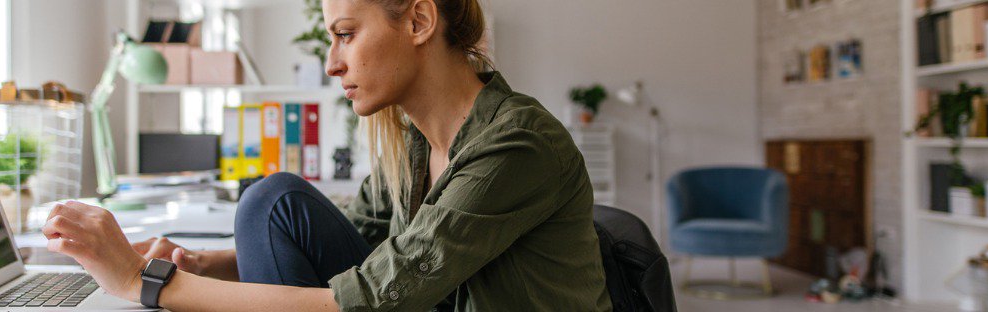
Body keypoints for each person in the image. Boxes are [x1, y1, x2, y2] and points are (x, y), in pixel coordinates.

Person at [40, 0, 610, 310]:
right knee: (272, 204)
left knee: (268, 200)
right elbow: (364, 248)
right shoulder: (415, 140)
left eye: (345, 34)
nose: (334, 63)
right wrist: (204, 265)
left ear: (419, 20)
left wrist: (142, 280)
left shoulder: (516, 144)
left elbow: (372, 297)